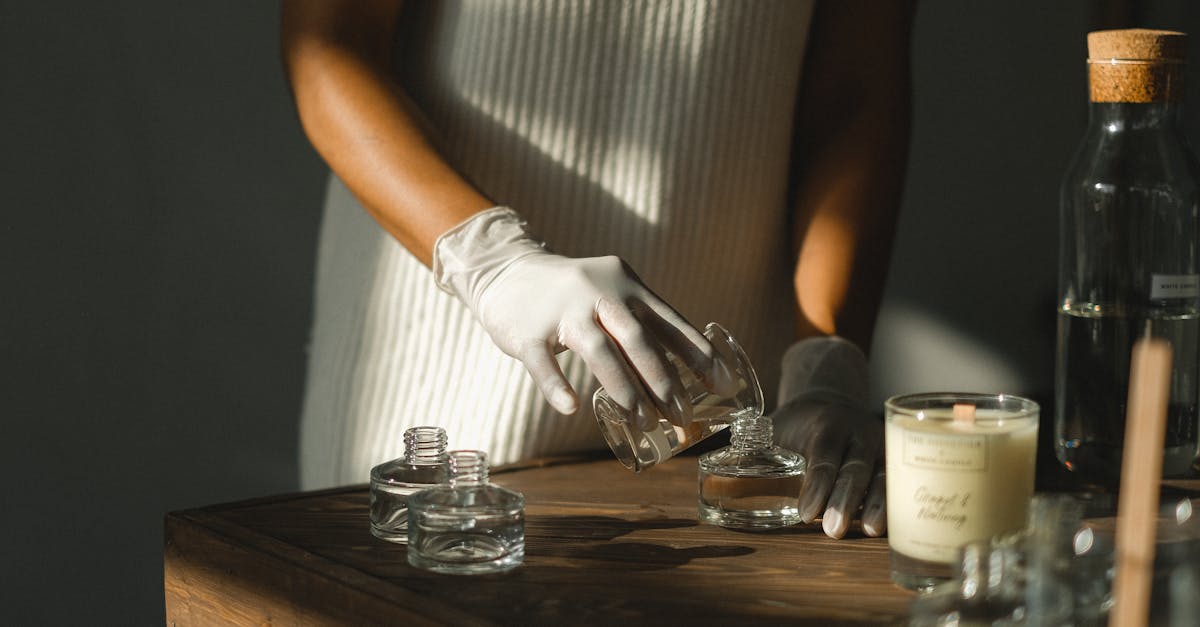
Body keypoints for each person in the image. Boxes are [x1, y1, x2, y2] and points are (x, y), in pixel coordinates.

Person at [280, 0, 913, 540]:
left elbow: (856, 92)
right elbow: (330, 44)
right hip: (445, 387)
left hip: (732, 432)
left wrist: (824, 365)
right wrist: (492, 260)